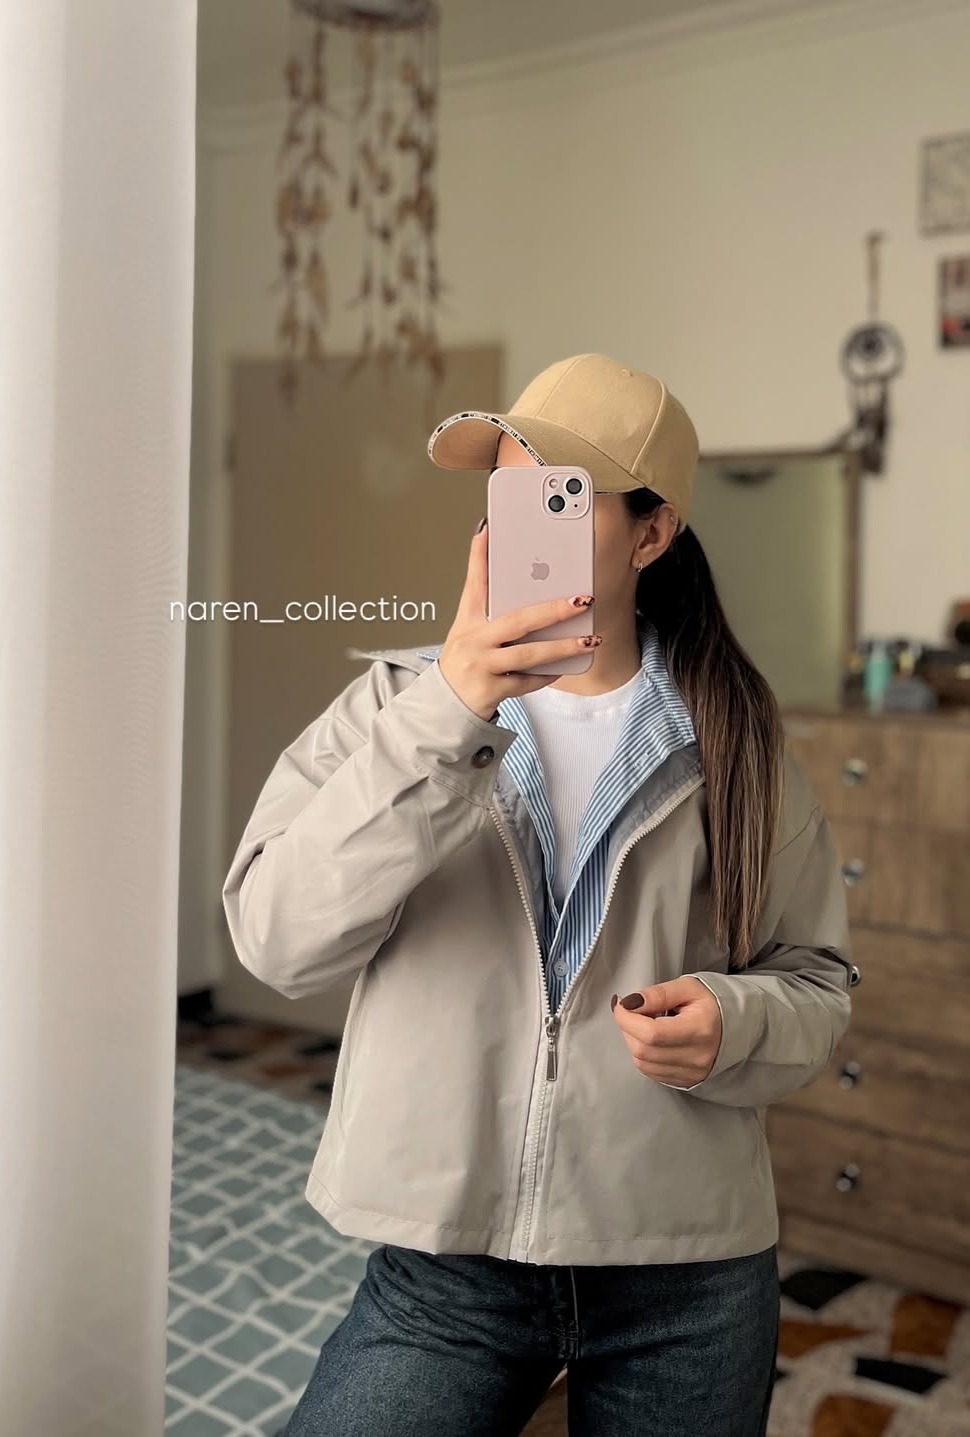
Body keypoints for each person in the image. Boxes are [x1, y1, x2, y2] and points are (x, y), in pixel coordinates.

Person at [222, 353, 857, 1437]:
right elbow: (277, 939)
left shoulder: (737, 742)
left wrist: (734, 1020)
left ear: (652, 535)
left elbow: (819, 982)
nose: (520, 520)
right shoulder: (392, 708)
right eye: (506, 492)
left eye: (559, 495)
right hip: (448, 1265)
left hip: (687, 1272)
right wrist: (449, 711)